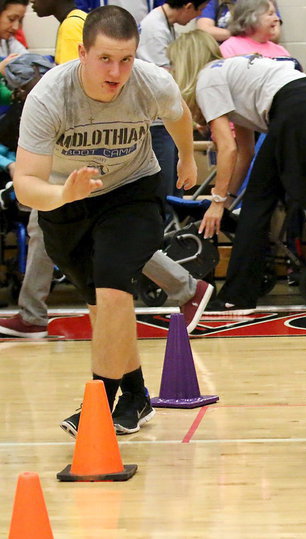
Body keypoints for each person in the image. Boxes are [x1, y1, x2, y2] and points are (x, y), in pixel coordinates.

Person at [13, 6, 198, 435]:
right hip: (66, 201)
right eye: (105, 59)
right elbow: (25, 183)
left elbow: (178, 115)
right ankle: (135, 396)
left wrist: (187, 157)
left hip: (132, 191)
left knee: (114, 285)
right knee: (102, 308)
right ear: (82, 52)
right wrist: (63, 194)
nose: (117, 71)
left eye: (126, 59)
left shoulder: (151, 82)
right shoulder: (49, 96)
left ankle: (98, 403)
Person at [168, 30, 306, 313]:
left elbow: (227, 149)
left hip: (294, 109)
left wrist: (218, 201)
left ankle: (238, 295)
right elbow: (244, 151)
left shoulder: (207, 80)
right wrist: (230, 197)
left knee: (258, 205)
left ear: (185, 62)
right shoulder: (230, 70)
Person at [137, 0, 208, 208]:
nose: (197, 16)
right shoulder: (154, 28)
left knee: (177, 187)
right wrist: (194, 119)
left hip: (166, 119)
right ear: (187, 6)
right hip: (158, 123)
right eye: (200, 10)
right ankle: (165, 236)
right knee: (166, 191)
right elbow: (166, 83)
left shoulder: (165, 25)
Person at [219, 0, 288, 59]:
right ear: (251, 17)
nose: (277, 19)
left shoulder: (281, 51)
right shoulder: (229, 49)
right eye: (270, 14)